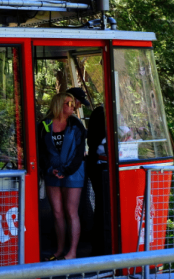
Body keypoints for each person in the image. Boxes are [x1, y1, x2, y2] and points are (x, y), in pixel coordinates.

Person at [38, 92, 87, 261]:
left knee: (71, 212)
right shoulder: (44, 124)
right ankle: (59, 250)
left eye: (73, 104)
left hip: (73, 173)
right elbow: (41, 152)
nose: (72, 107)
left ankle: (72, 252)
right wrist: (49, 168)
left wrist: (66, 171)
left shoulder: (76, 125)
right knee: (57, 212)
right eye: (68, 103)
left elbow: (80, 153)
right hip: (52, 172)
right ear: (59, 105)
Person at [86, 105, 109, 256]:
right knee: (104, 207)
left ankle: (98, 247)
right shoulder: (104, 133)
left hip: (97, 168)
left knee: (101, 207)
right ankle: (101, 246)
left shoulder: (93, 135)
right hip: (102, 169)